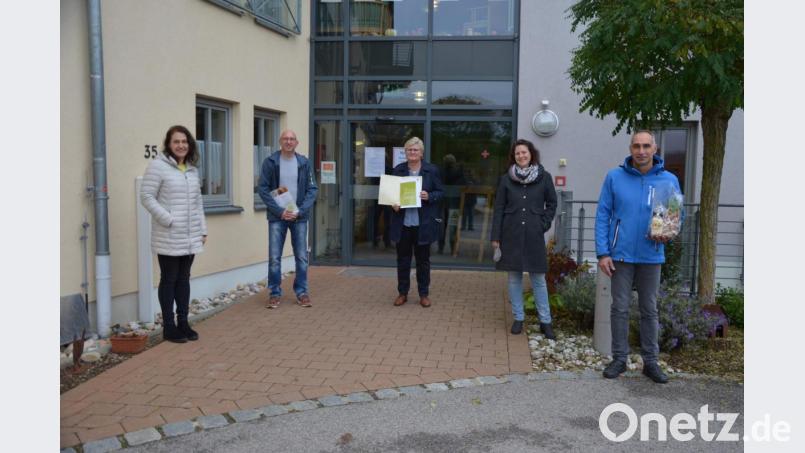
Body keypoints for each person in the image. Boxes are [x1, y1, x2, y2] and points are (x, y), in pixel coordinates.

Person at [595, 130, 682, 384]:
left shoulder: (669, 180)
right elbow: (603, 215)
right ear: (630, 148)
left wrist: (669, 232)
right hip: (620, 255)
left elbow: (676, 216)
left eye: (646, 146)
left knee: (649, 309)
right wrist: (603, 252)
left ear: (655, 148)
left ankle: (650, 362)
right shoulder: (614, 177)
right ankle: (619, 358)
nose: (641, 151)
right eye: (636, 146)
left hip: (651, 255)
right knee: (619, 308)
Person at [140, 125, 207, 343]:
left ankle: (183, 323)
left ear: (190, 145)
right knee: (169, 279)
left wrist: (202, 229)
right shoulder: (158, 167)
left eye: (184, 142)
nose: (181, 145)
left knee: (184, 279)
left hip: (190, 235)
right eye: (176, 141)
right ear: (169, 144)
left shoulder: (192, 169)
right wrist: (168, 219)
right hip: (168, 234)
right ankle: (169, 327)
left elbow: (198, 203)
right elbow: (147, 196)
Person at [491, 139, 557, 338]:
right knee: (513, 279)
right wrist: (496, 236)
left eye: (524, 152)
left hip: (534, 235)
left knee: (538, 279)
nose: (521, 156)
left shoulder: (544, 177)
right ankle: (518, 318)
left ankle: (545, 321)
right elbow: (499, 208)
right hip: (510, 234)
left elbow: (552, 204)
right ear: (514, 156)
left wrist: (542, 225)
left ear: (531, 154)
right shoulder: (505, 179)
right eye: (518, 153)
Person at [258, 129, 319, 309]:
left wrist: (300, 211)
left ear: (296, 142)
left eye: (292, 139)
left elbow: (312, 189)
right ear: (280, 141)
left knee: (301, 256)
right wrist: (279, 211)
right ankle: (275, 293)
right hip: (278, 217)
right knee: (275, 257)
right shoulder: (270, 162)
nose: (289, 142)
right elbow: (262, 188)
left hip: (299, 217)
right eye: (285, 139)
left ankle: (302, 292)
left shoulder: (304, 163)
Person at [390, 137, 444, 308]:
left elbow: (441, 192)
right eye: (409, 150)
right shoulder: (398, 170)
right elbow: (390, 195)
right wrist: (394, 204)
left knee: (423, 261)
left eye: (415, 150)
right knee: (403, 260)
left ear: (421, 153)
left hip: (423, 224)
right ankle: (402, 293)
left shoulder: (431, 170)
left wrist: (429, 196)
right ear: (405, 152)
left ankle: (423, 294)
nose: (412, 153)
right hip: (403, 223)